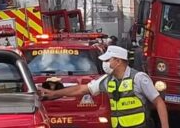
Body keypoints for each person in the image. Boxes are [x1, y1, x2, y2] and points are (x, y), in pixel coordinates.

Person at [40, 45, 169, 128]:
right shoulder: (107, 80)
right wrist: (54, 94)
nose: (105, 64)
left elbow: (158, 102)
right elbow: (81, 89)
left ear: (118, 61)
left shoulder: (139, 78)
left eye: (108, 60)